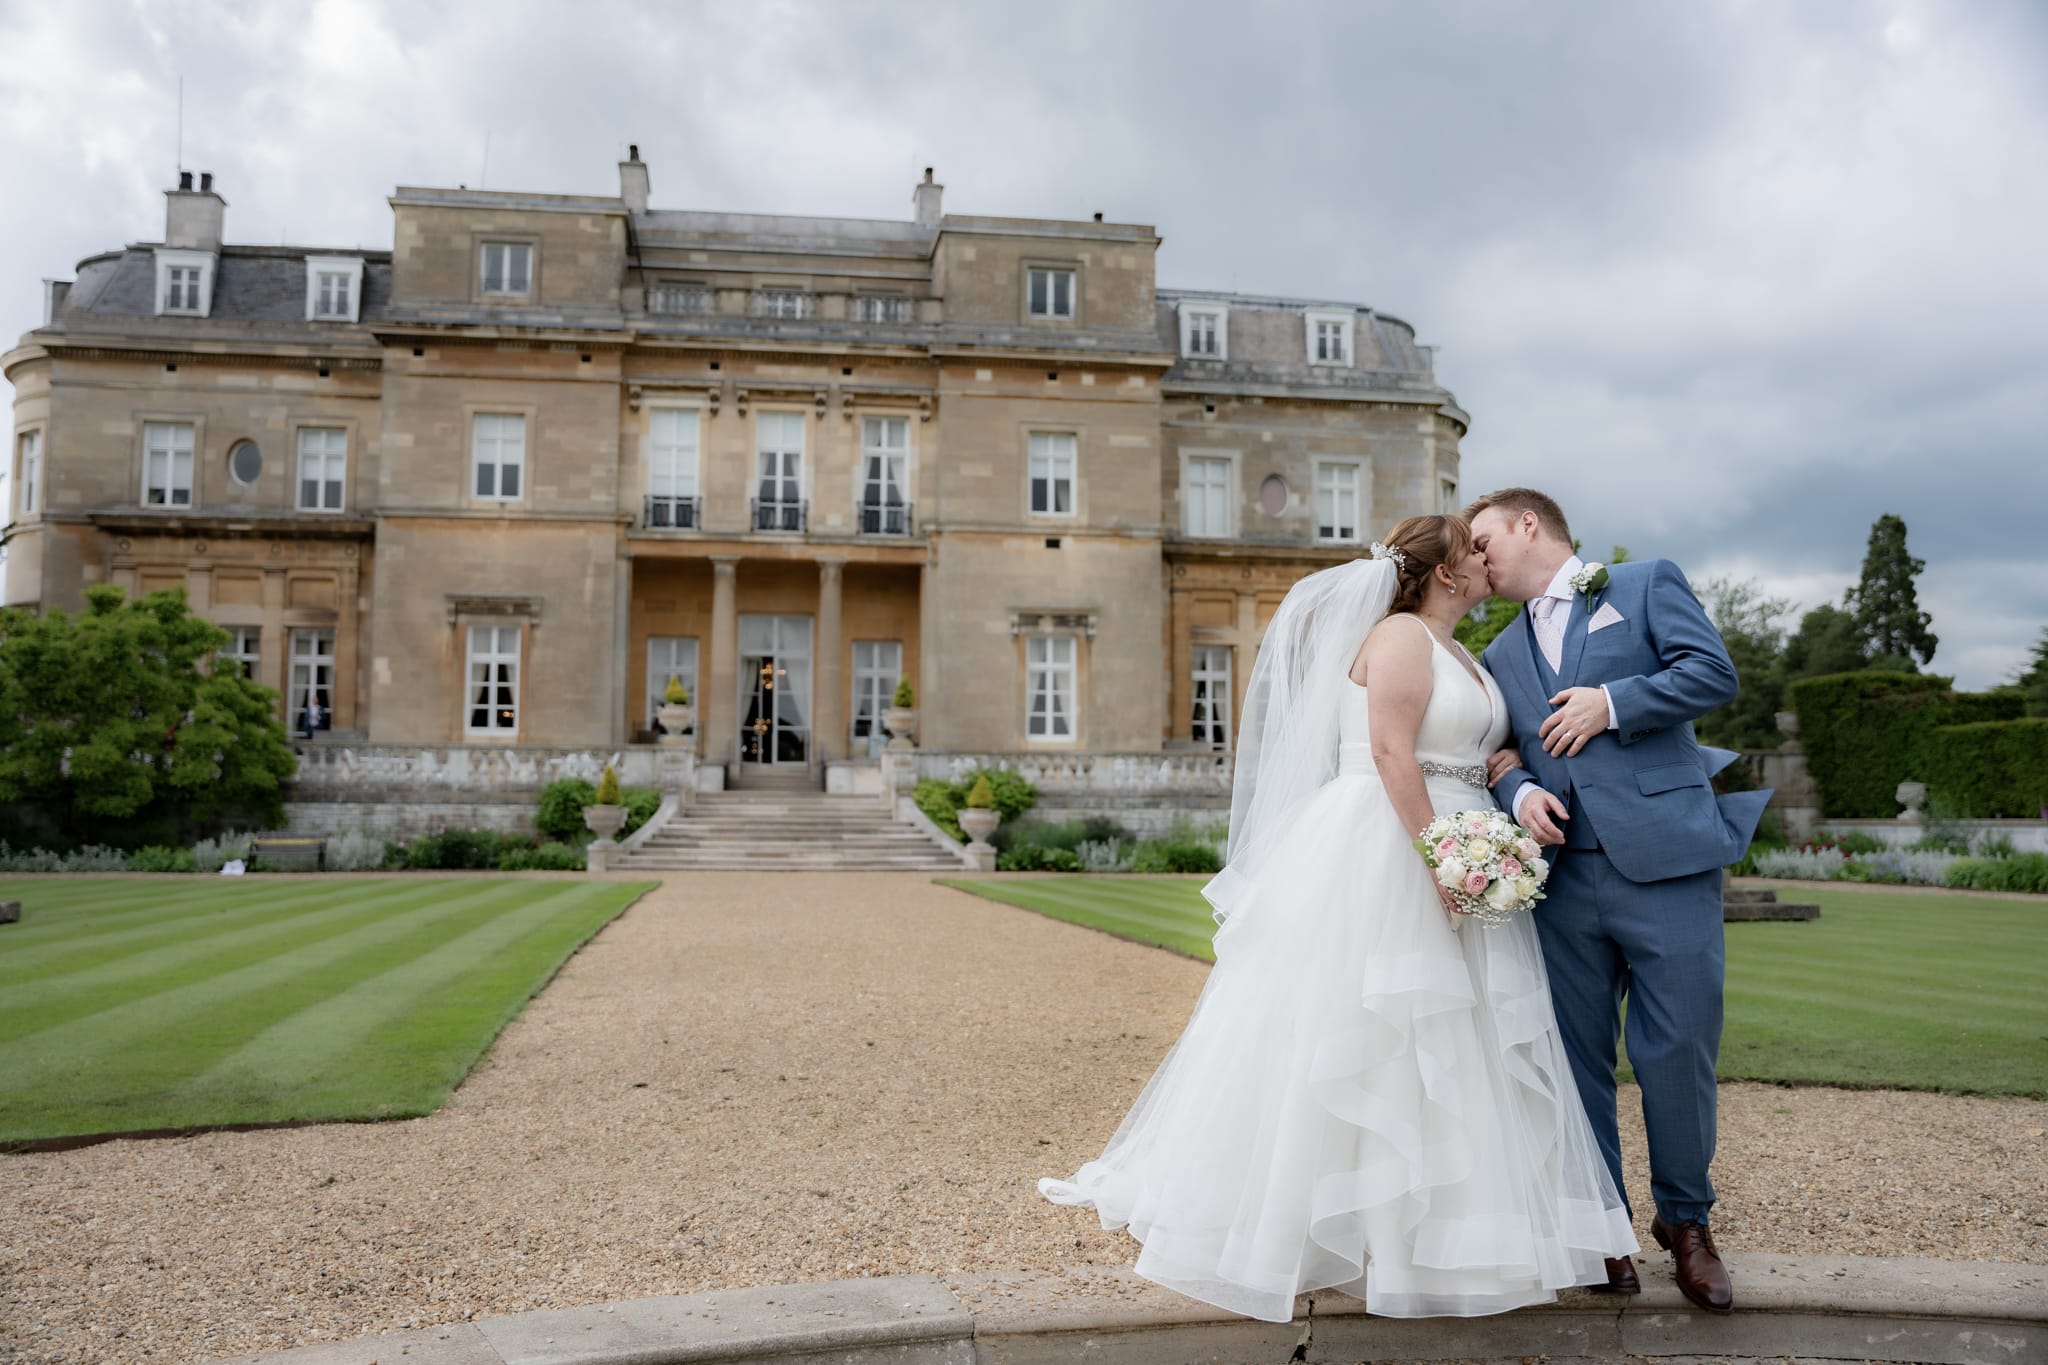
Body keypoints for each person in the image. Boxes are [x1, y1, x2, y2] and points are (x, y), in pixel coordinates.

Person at [1040, 515, 1639, 1321]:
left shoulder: (1463, 650)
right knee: (1368, 1030)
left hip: (1459, 835)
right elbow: (1391, 750)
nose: (1485, 557)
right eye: (1472, 548)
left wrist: (1496, 786)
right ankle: (1336, 1222)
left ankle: (1443, 1230)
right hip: (1391, 840)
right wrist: (1438, 855)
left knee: (1459, 1039)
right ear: (1445, 572)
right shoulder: (1398, 636)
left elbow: (1475, 745)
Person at [1464, 488, 1771, 1316]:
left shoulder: (1641, 584)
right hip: (1563, 879)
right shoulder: (1497, 653)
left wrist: (1614, 703)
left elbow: (1712, 672)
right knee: (1577, 1058)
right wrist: (1519, 790)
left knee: (1678, 1046)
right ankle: (1603, 1229)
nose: (1476, 557)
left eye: (1484, 538)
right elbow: (1497, 750)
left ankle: (1687, 1222)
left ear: (1529, 523)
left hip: (1667, 859)